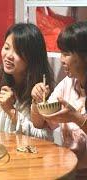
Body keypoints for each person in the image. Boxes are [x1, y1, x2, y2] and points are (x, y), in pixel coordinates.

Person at [31, 21, 87, 178]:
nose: (61, 60)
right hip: (68, 168)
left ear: (84, 56)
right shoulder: (68, 83)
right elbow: (39, 123)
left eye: (66, 54)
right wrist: (36, 101)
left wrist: (76, 117)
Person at [0, 23, 54, 140]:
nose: (8, 56)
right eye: (7, 48)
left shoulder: (40, 91)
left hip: (21, 156)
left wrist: (11, 111)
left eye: (18, 52)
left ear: (32, 58)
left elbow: (45, 138)